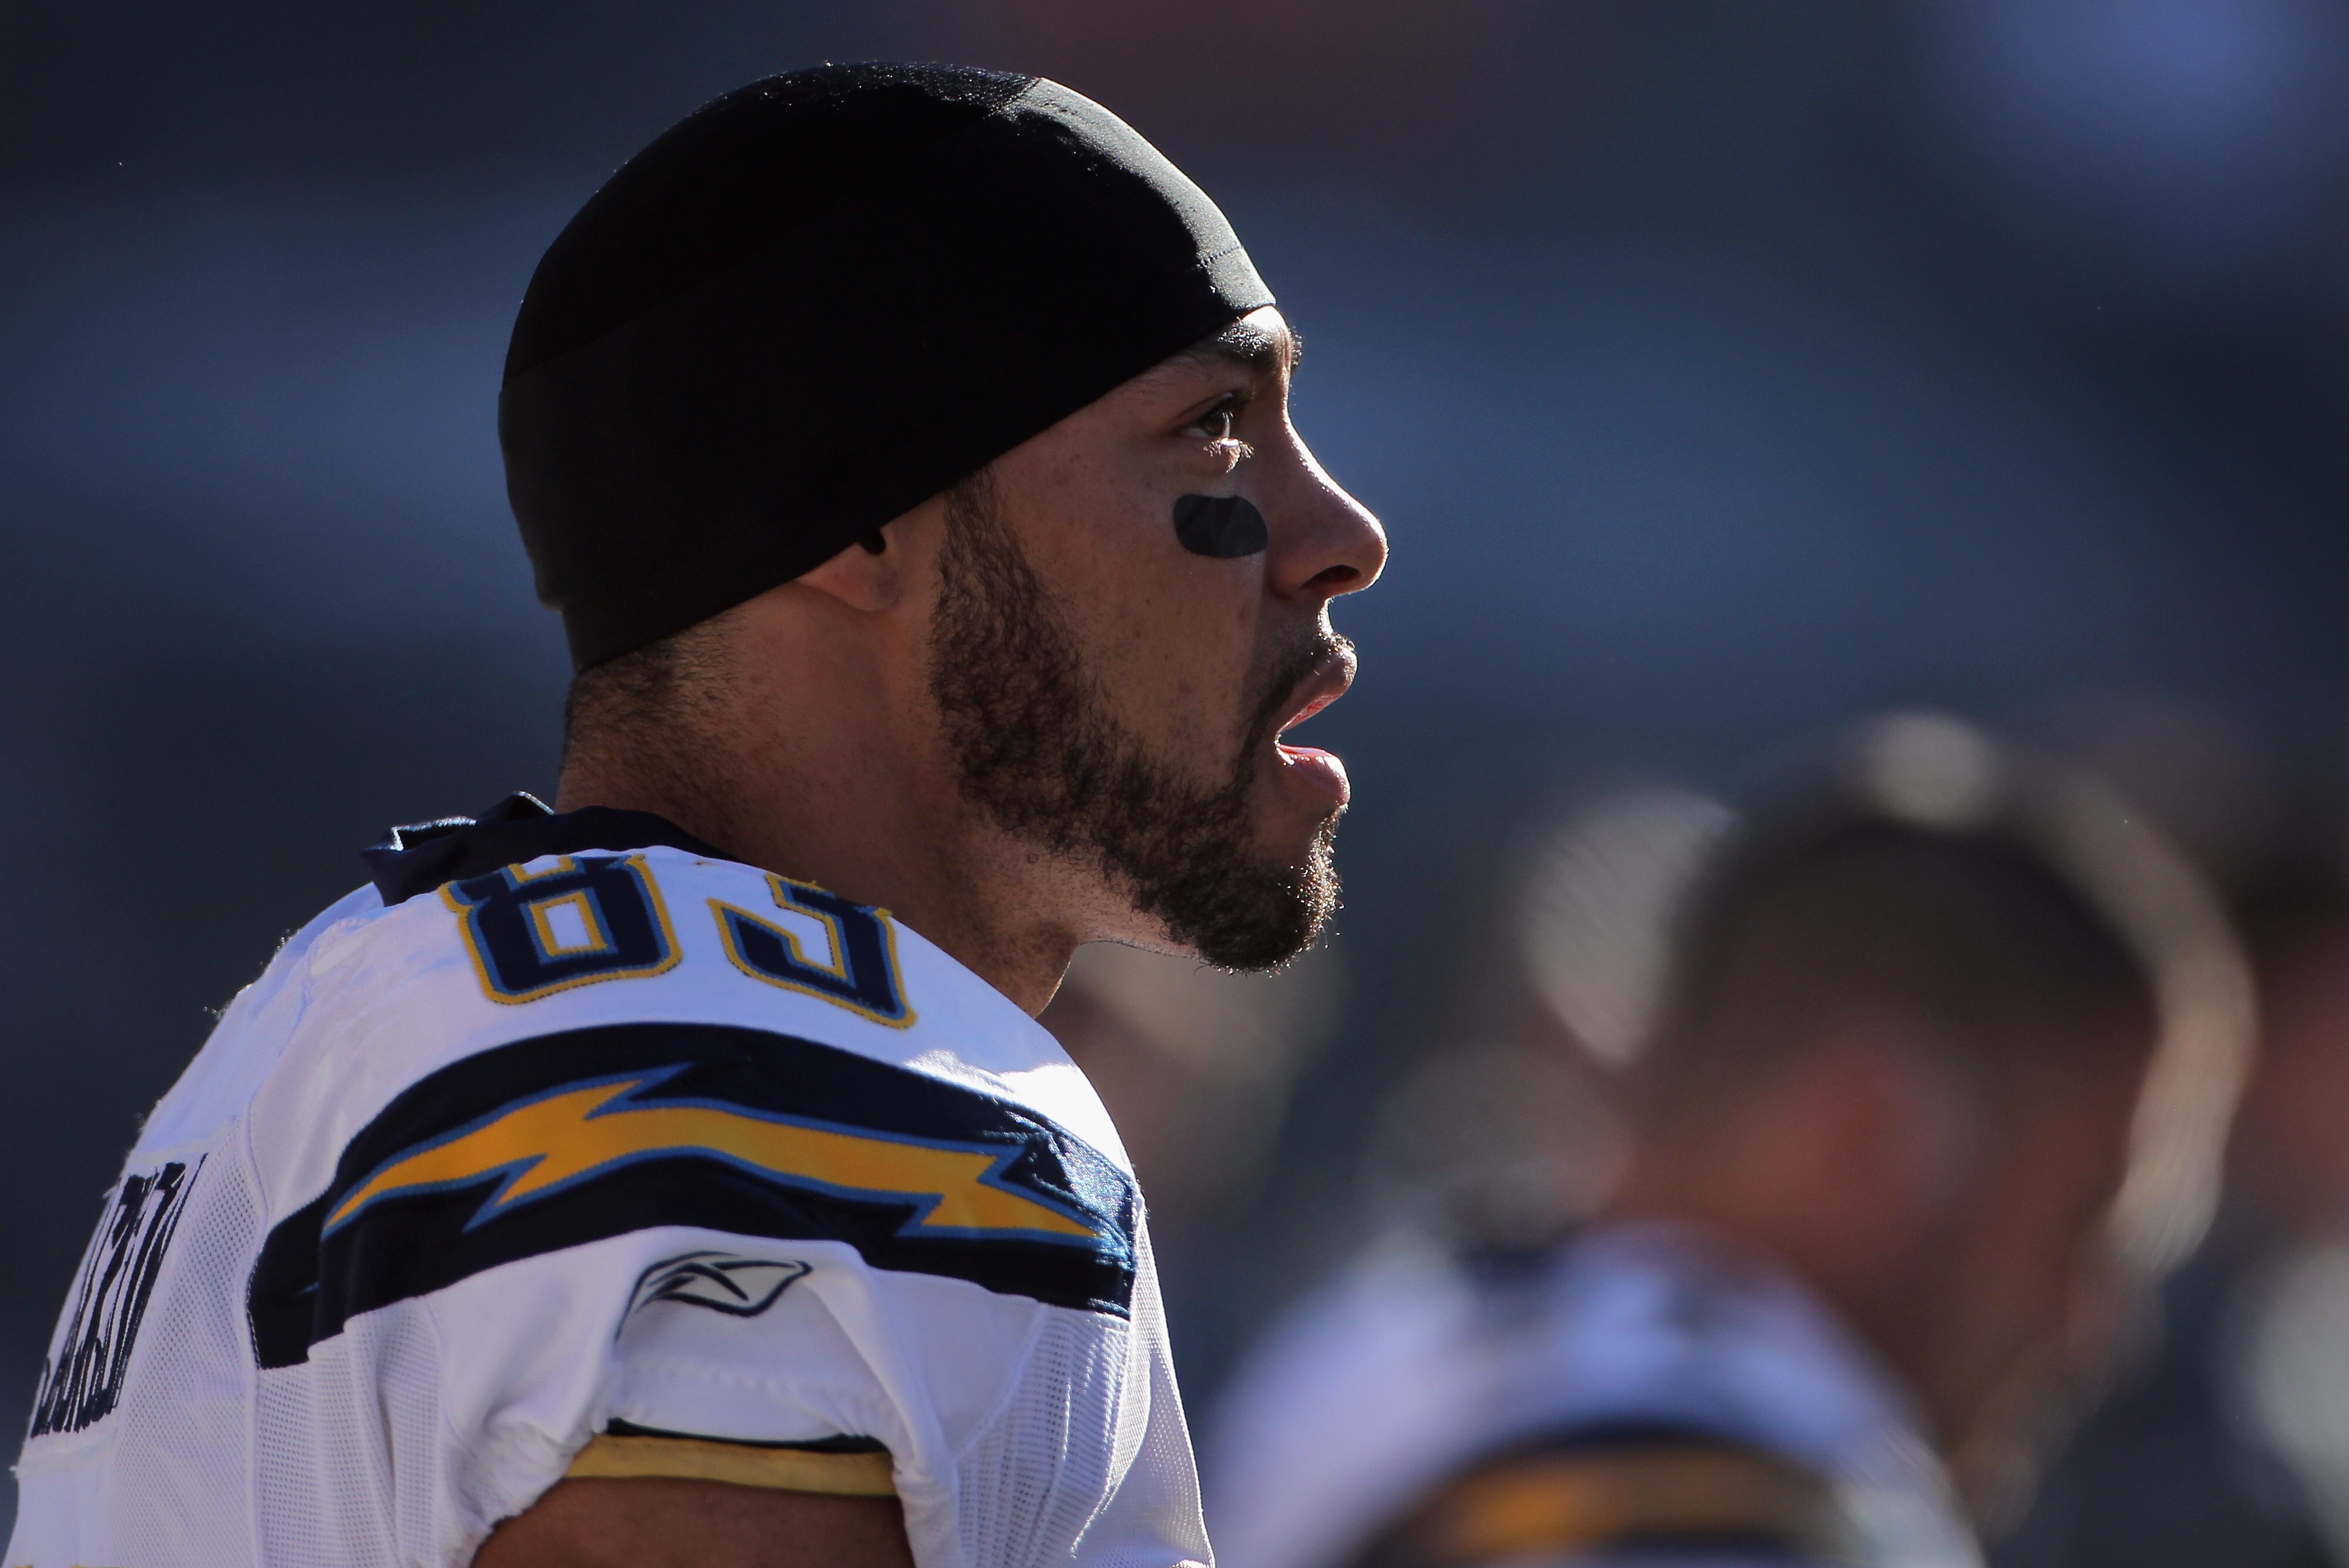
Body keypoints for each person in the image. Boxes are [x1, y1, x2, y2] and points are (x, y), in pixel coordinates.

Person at [6, 63, 1385, 1568]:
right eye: (1214, 425)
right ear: (859, 513)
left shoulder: (347, 1012)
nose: (1341, 538)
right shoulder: (767, 1088)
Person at [1207, 720, 2240, 1568]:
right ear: (1867, 1128)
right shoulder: (1735, 1490)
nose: (2095, 1325)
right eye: (2077, 1229)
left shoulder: (1369, 1340)